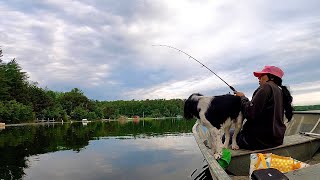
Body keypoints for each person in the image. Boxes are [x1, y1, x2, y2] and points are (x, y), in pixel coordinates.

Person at [234, 65, 294, 150]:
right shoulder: (279, 91)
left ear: (271, 78)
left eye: (262, 76)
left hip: (258, 141)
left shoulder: (266, 87)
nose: (259, 78)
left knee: (228, 134)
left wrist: (242, 97)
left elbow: (250, 113)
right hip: (276, 140)